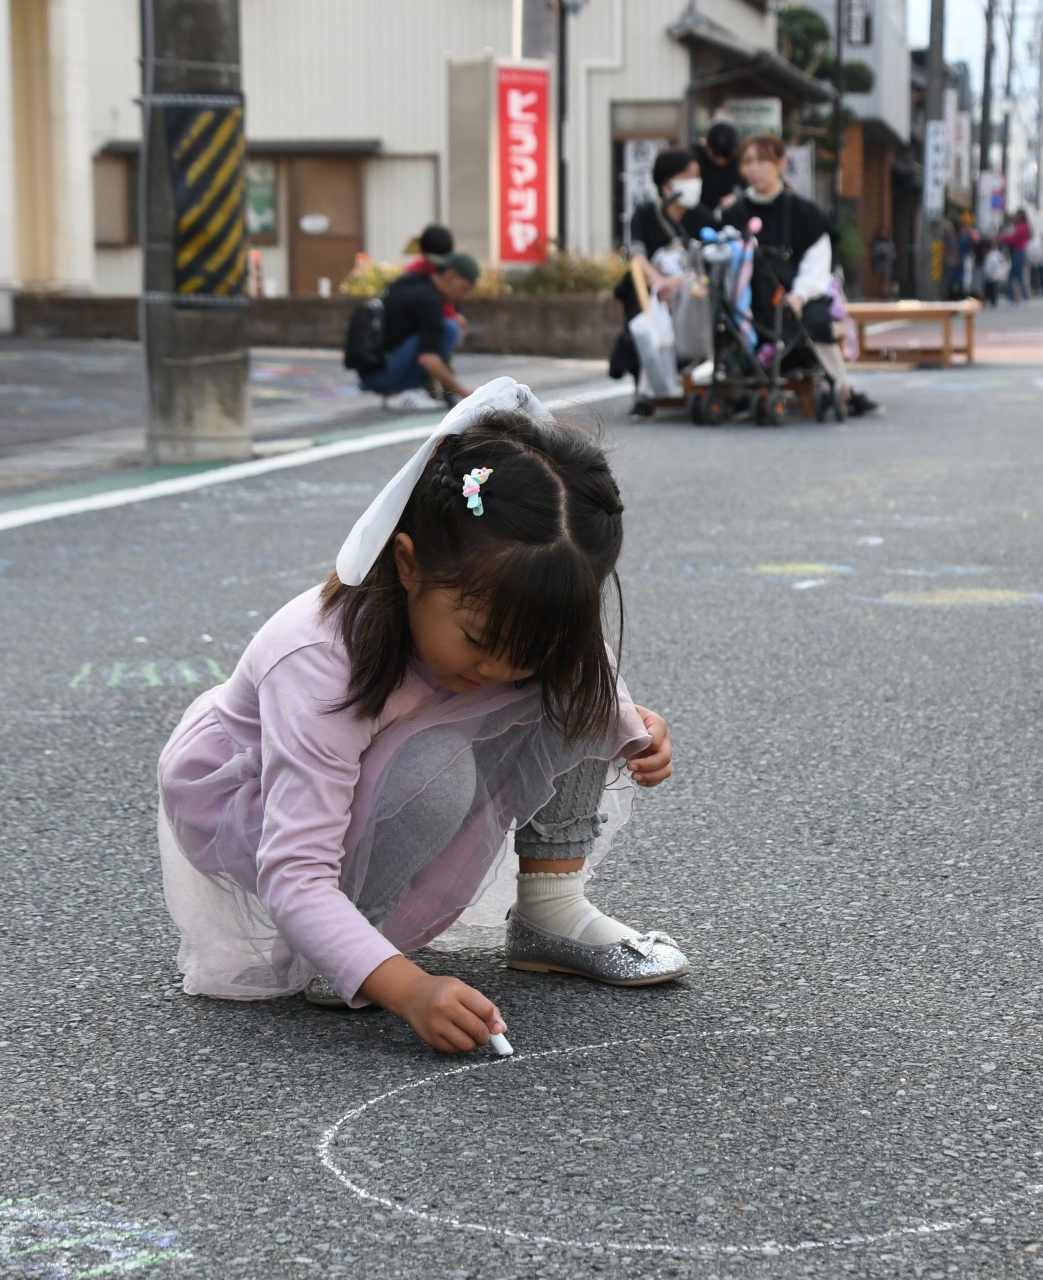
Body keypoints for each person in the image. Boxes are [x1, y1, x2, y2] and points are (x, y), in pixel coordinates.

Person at [157, 381, 688, 1052]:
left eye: (525, 651)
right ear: (408, 564)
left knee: (580, 682)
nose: (498, 669)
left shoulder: (494, 642)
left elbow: (581, 678)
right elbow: (293, 871)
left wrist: (637, 732)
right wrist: (407, 987)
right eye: (479, 639)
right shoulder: (322, 662)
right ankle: (354, 945)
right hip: (251, 797)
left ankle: (550, 910)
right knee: (437, 773)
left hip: (390, 757)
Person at [720, 132, 880, 417]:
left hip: (801, 295)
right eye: (747, 162)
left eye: (761, 161)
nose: (753, 169)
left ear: (781, 163)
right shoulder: (734, 213)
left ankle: (841, 388)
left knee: (813, 321)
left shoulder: (806, 213)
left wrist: (798, 295)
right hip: (752, 298)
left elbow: (817, 264)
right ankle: (741, 385)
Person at [615, 148, 710, 418]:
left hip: (690, 287)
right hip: (650, 287)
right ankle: (647, 390)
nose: (694, 182)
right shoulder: (645, 213)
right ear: (667, 182)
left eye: (697, 176)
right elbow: (637, 256)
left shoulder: (702, 216)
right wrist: (659, 284)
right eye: (687, 176)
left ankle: (653, 390)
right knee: (650, 318)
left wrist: (679, 283)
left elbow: (706, 260)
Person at [362, 251, 478, 409]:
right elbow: (427, 358)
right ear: (451, 276)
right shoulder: (429, 300)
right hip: (383, 375)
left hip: (373, 370)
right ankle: (404, 391)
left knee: (445, 329)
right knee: (449, 330)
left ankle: (405, 389)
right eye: (464, 289)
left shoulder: (417, 282)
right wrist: (466, 394)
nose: (464, 296)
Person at [693, 121, 743, 216]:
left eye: (726, 157)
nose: (721, 161)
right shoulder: (694, 157)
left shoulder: (740, 161)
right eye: (716, 155)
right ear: (706, 145)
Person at [1000, 211, 1033, 305]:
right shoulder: (1019, 226)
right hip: (1018, 252)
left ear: (1021, 216)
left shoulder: (1022, 227)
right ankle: (1023, 297)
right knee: (1018, 275)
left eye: (1016, 216)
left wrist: (1000, 238)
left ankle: (1012, 298)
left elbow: (1013, 238)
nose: (1015, 217)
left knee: (1013, 275)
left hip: (1019, 252)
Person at [872, 227, 899, 300]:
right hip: (878, 264)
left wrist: (888, 254)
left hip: (887, 264)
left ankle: (885, 295)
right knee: (877, 280)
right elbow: (874, 253)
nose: (884, 234)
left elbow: (893, 254)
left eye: (885, 232)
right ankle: (876, 295)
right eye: (882, 232)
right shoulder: (876, 242)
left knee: (886, 280)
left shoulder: (889, 243)